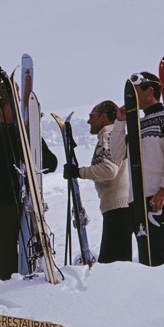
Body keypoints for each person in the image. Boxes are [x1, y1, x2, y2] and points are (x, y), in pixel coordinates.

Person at [0, 77, 58, 280]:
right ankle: (11, 296)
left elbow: (51, 164)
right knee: (6, 262)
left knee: (34, 255)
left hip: (28, 204)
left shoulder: (25, 134)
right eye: (12, 104)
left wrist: (29, 138)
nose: (17, 109)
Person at [110, 71, 164, 266]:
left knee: (157, 253)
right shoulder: (137, 123)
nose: (131, 97)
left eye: (136, 91)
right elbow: (117, 156)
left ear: (149, 90)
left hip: (158, 197)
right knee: (145, 256)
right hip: (136, 199)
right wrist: (120, 122)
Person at [62, 100, 132, 263]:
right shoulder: (113, 135)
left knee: (113, 264)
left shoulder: (109, 136)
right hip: (120, 206)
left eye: (91, 116)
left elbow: (109, 170)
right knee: (118, 261)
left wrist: (78, 172)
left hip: (118, 207)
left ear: (103, 117)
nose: (88, 121)